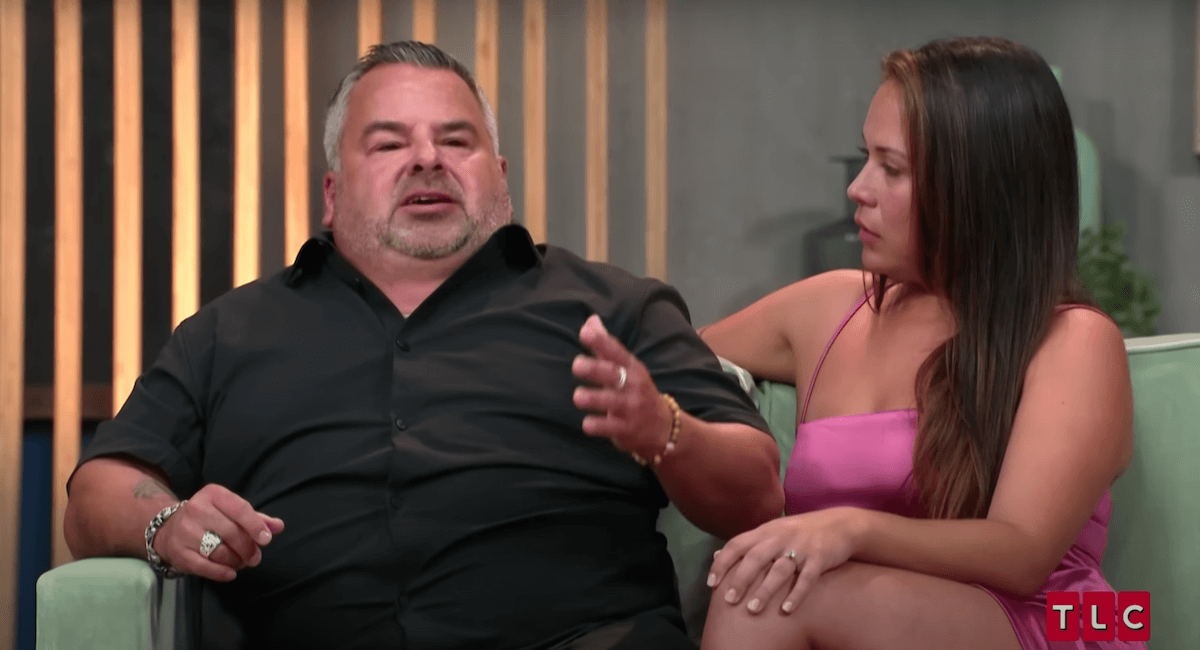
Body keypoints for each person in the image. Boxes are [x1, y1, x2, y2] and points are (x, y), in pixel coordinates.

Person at [63, 41, 783, 650]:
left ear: (500, 178)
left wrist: (665, 432)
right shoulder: (229, 332)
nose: (427, 159)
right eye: (388, 143)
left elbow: (758, 495)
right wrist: (165, 523)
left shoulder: (615, 309)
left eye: (457, 140)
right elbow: (95, 492)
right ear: (332, 193)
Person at [696, 37, 1143, 650]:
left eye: (893, 168)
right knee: (766, 588)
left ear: (979, 187)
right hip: (875, 621)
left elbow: (1022, 553)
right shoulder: (830, 307)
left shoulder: (1075, 340)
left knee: (765, 597)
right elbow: (669, 359)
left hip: (1068, 622)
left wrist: (851, 529)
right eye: (867, 159)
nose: (858, 188)